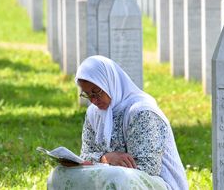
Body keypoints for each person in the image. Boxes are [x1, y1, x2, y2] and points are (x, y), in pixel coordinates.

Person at [47, 55, 189, 190]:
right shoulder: (93, 113)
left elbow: (148, 167)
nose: (93, 100)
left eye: (96, 92)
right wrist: (105, 159)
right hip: (111, 177)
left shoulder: (141, 111)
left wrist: (109, 166)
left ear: (110, 83)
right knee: (59, 174)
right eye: (87, 95)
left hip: (158, 182)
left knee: (117, 178)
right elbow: (85, 155)